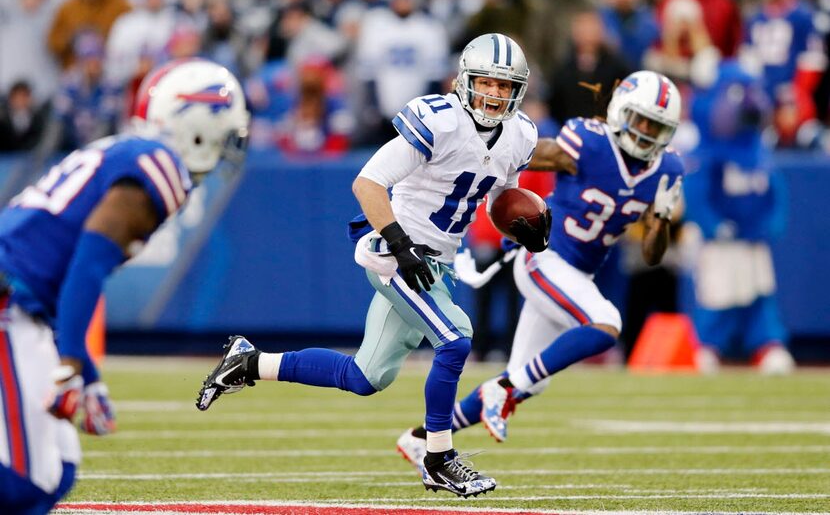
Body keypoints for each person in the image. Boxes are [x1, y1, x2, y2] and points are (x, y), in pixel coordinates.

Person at [195, 34, 549, 498]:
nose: (496, 95)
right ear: (465, 80)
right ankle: (438, 457)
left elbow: (499, 195)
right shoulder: (439, 120)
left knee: (366, 377)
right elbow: (368, 184)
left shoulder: (520, 135)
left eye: (506, 87)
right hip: (394, 246)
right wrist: (401, 244)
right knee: (456, 337)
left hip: (437, 259)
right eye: (488, 82)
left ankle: (249, 362)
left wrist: (524, 221)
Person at [396, 70, 685, 468]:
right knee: (606, 323)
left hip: (577, 275)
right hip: (543, 258)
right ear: (621, 111)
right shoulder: (588, 141)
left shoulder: (667, 170)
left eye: (658, 126)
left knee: (531, 377)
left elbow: (653, 255)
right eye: (642, 120)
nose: (648, 132)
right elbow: (523, 151)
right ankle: (505, 389)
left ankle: (421, 439)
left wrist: (664, 218)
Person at [0, 58, 249, 514]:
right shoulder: (161, 165)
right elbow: (87, 266)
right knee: (24, 484)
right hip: (8, 300)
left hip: (23, 305)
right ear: (196, 123)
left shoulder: (131, 150)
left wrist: (88, 378)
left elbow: (70, 270)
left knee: (61, 467)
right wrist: (72, 363)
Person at [684, 61, 794, 374]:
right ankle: (708, 345)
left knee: (760, 293)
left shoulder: (759, 152)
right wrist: (713, 226)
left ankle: (767, 344)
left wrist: (772, 222)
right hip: (720, 244)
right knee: (718, 296)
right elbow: (697, 196)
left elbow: (776, 193)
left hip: (753, 240)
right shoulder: (707, 155)